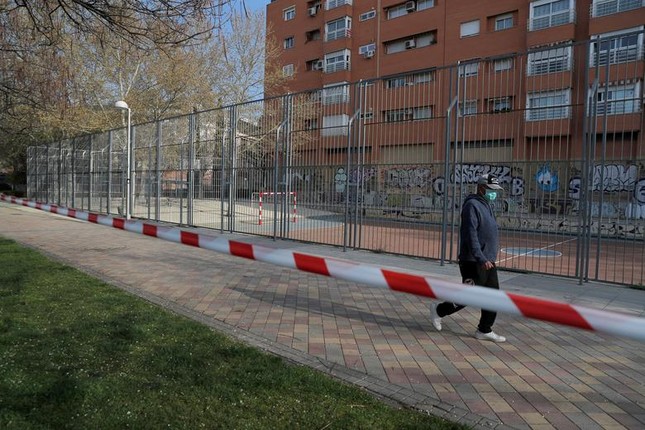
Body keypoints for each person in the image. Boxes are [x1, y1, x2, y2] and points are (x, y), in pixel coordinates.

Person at [430, 174, 506, 343]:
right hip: (474, 261)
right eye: (491, 190)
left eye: (496, 191)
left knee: (494, 296)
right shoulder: (472, 205)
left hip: (488, 260)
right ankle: (439, 310)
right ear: (481, 188)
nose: (494, 194)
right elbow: (470, 235)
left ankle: (484, 329)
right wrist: (480, 257)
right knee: (467, 296)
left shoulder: (486, 205)